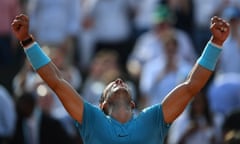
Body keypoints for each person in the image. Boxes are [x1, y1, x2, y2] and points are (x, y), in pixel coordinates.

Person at [11, 14, 230, 144]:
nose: (118, 81)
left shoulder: (153, 118)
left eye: (120, 82)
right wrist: (27, 41)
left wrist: (216, 43)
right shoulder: (91, 119)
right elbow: (56, 82)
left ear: (133, 103)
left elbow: (191, 86)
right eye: (111, 84)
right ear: (103, 104)